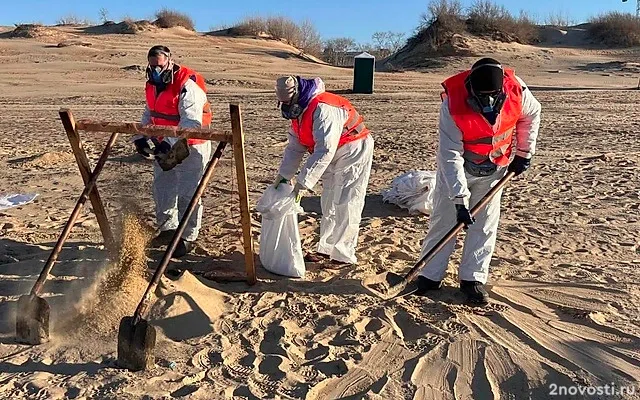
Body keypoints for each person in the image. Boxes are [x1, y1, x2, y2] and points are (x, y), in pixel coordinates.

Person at [415, 57, 541, 304]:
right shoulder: (452, 103)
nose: (488, 102)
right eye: (481, 96)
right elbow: (450, 155)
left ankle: (472, 279)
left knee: (484, 224)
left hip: (496, 168)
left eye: (492, 95)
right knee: (444, 221)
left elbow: (532, 114)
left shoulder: (518, 91)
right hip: (460, 166)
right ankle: (430, 276)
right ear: (471, 86)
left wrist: (524, 153)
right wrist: (460, 201)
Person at [273, 75, 374, 266]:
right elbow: (295, 147)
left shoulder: (323, 107)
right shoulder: (299, 113)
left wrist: (303, 183)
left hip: (353, 148)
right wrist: (284, 176)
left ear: (296, 96)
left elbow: (325, 150)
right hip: (330, 152)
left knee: (347, 200)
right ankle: (326, 249)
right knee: (328, 200)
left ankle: (343, 254)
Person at [133, 45, 212, 257]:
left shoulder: (188, 83)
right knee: (163, 187)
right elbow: (149, 112)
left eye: (159, 66)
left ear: (169, 61)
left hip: (191, 145)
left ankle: (187, 237)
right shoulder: (151, 84)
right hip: (164, 143)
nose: (156, 70)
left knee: (189, 192)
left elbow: (191, 121)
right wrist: (141, 137)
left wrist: (169, 141)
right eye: (152, 66)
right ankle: (168, 228)